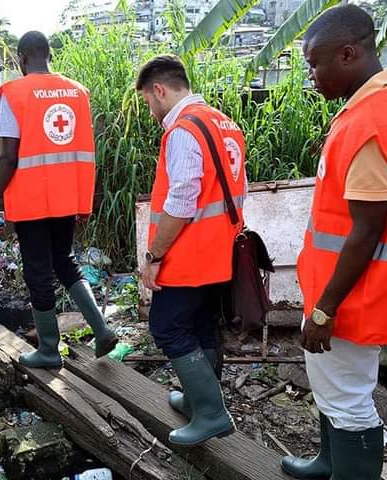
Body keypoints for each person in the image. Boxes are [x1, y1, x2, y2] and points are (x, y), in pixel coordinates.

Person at [283, 6, 387, 479]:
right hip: (348, 285)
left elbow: (366, 229)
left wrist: (324, 310)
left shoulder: (368, 124)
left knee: (349, 400)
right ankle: (328, 463)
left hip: (350, 295)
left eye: (314, 64)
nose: (311, 75)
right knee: (333, 388)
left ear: (348, 54)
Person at [0, 31, 118, 368]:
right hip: (67, 197)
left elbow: (8, 156)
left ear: (21, 58)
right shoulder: (77, 92)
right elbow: (84, 149)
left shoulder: (15, 93)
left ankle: (48, 350)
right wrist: (84, 201)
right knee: (65, 261)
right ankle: (102, 329)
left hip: (32, 200)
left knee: (38, 272)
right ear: (50, 56)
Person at [136, 54, 247, 446]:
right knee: (201, 323)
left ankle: (212, 413)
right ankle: (200, 400)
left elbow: (181, 203)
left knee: (166, 326)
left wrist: (153, 257)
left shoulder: (183, 130)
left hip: (189, 254)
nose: (150, 110)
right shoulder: (224, 123)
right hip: (220, 251)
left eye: (148, 101)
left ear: (159, 90)